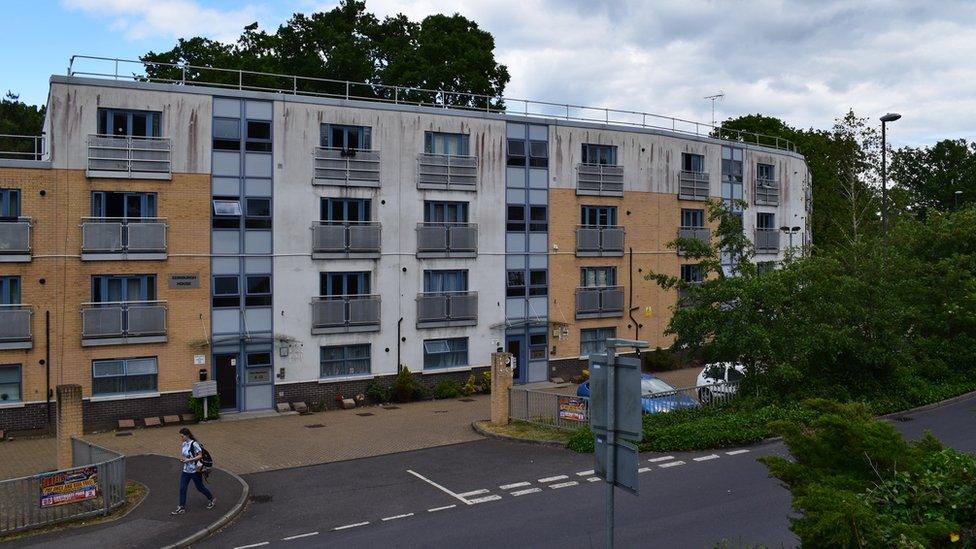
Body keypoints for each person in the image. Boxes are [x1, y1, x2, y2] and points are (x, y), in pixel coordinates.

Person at [171, 427, 215, 515]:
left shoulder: (194, 444)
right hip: (186, 470)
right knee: (182, 488)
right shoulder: (184, 444)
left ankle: (211, 499)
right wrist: (183, 459)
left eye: (182, 436)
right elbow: (185, 455)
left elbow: (200, 456)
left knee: (200, 487)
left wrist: (189, 460)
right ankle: (181, 507)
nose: (181, 438)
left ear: (187, 435)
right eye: (180, 436)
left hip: (195, 471)